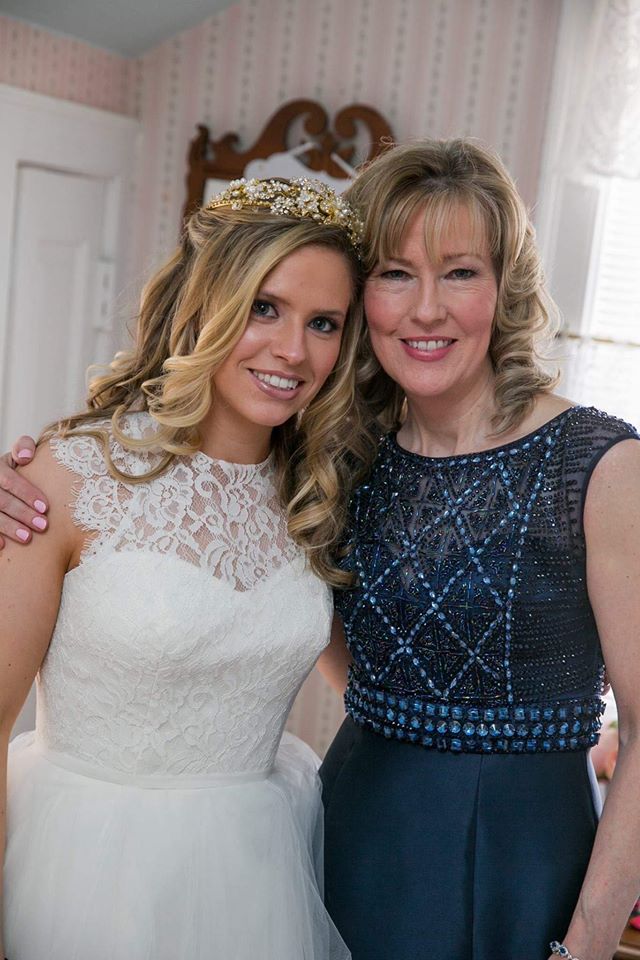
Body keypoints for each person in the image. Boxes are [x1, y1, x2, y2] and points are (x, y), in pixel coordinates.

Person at [4, 141, 640, 960]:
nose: (426, 310)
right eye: (396, 274)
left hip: (493, 858)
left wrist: (589, 940)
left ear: (506, 286)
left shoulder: (585, 464)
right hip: (326, 841)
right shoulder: (342, 460)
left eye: (461, 272)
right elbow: (357, 659)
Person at [0, 175, 371, 960]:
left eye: (325, 323)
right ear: (202, 304)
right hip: (79, 876)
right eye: (264, 307)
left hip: (256, 882)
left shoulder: (317, 498)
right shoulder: (63, 479)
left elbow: (369, 685)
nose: (293, 351)